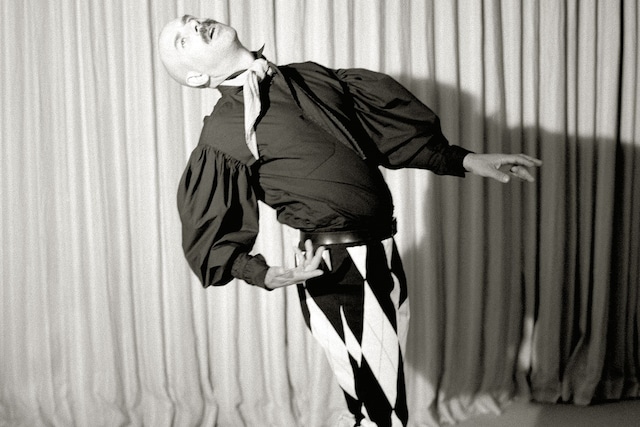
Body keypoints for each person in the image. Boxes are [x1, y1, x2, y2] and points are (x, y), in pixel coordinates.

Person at [158, 15, 542, 427]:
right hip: (336, 267)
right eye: (182, 39)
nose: (194, 25)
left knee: (373, 404)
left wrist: (466, 160)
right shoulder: (223, 132)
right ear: (196, 77)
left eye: (190, 20)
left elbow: (386, 139)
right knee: (383, 412)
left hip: (382, 251)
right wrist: (262, 273)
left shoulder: (308, 77)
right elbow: (210, 233)